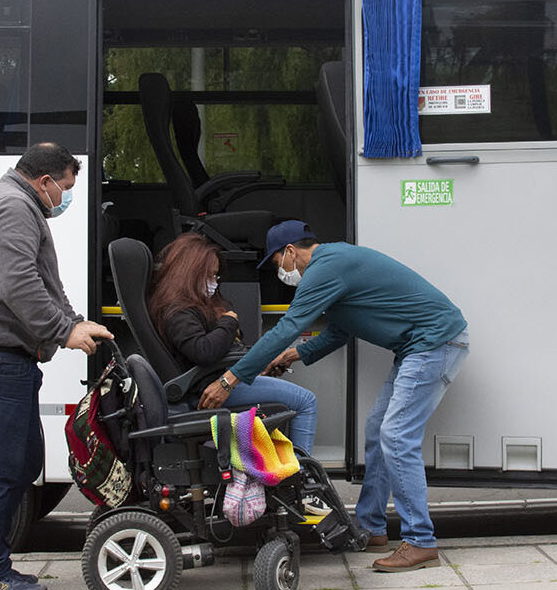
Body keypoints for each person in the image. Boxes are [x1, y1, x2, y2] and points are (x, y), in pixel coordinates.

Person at [199, 220, 469, 572]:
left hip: (434, 343)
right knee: (378, 430)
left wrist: (230, 380)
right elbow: (340, 332)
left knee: (396, 436)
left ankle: (420, 540)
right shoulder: (336, 266)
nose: (280, 271)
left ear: (292, 251)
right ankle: (372, 527)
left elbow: (288, 327)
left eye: (278, 261)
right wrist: (292, 356)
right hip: (418, 348)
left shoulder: (326, 267)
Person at [0, 142, 113, 590]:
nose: (66, 198)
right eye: (67, 188)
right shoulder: (14, 206)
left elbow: (43, 282)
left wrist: (75, 322)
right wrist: (63, 331)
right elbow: (19, 285)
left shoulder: (11, 203)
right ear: (45, 182)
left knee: (17, 463)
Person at [148, 232, 319, 454]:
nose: (213, 283)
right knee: (306, 401)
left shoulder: (186, 306)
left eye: (216, 277)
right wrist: (229, 322)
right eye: (209, 276)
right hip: (211, 386)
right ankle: (300, 474)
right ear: (189, 274)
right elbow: (204, 351)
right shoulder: (179, 312)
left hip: (219, 376)